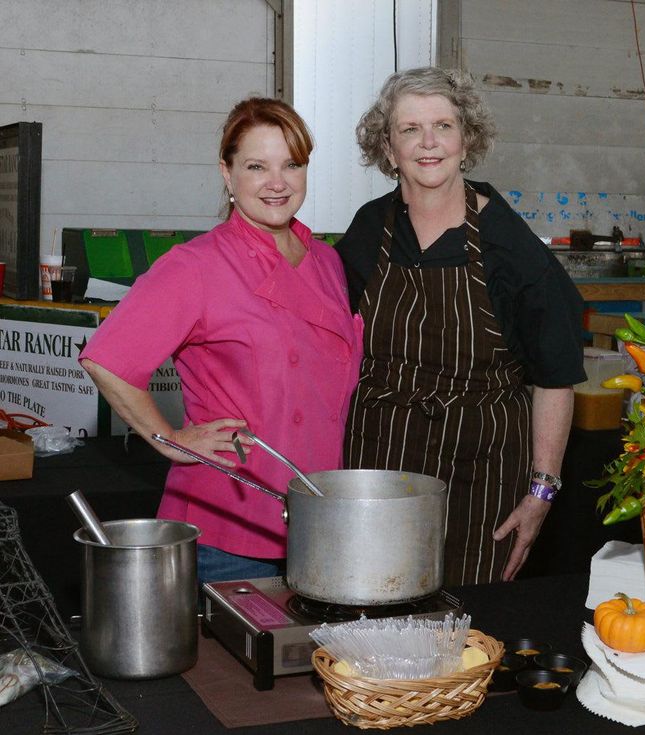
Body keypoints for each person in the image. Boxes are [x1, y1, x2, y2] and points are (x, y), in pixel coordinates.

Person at [80, 97, 363, 584]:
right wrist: (169, 439)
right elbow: (107, 359)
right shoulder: (196, 266)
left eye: (291, 165)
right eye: (256, 166)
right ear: (227, 175)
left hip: (321, 520)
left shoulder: (326, 261)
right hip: (229, 526)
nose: (277, 182)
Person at [336, 67, 585, 586]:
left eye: (443, 126)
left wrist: (542, 492)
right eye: (409, 129)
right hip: (382, 462)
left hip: (485, 469)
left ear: (466, 138)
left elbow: (555, 376)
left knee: (470, 630)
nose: (428, 143)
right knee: (374, 613)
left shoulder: (510, 247)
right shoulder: (367, 230)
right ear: (387, 145)